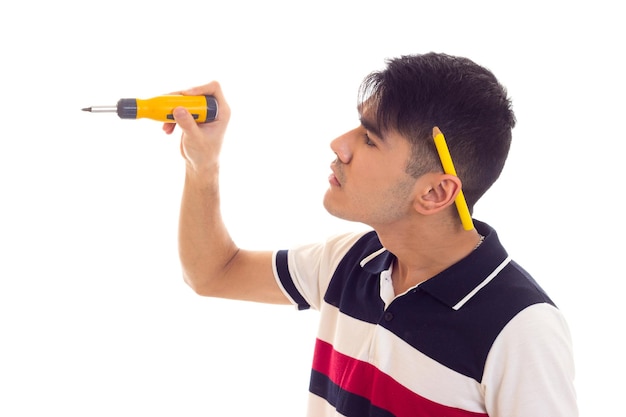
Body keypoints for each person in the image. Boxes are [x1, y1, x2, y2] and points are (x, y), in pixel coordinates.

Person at [164, 52, 578, 417]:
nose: (339, 145)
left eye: (369, 138)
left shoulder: (522, 330)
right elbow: (213, 273)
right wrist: (203, 164)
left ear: (435, 192)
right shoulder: (351, 260)